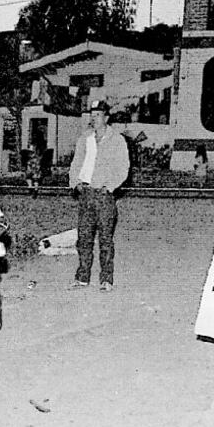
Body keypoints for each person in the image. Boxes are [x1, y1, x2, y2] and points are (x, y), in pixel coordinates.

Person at [68, 99, 130, 293]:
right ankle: (82, 277)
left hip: (104, 196)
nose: (93, 119)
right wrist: (75, 183)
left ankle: (106, 279)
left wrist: (109, 187)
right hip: (86, 194)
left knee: (105, 240)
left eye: (97, 115)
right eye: (91, 115)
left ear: (106, 117)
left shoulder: (117, 139)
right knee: (84, 238)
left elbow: (123, 168)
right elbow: (75, 164)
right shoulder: (84, 139)